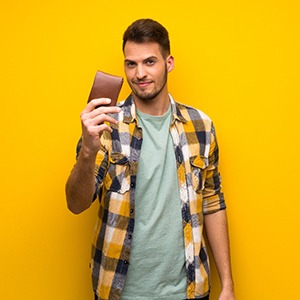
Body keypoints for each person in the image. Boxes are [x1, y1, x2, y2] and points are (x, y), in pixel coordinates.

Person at [66, 18, 235, 300]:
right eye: (131, 64)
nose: (139, 73)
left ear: (168, 63)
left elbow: (213, 202)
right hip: (120, 291)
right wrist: (87, 150)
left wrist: (228, 284)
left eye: (149, 62)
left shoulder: (201, 126)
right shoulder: (105, 126)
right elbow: (75, 203)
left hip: (189, 291)